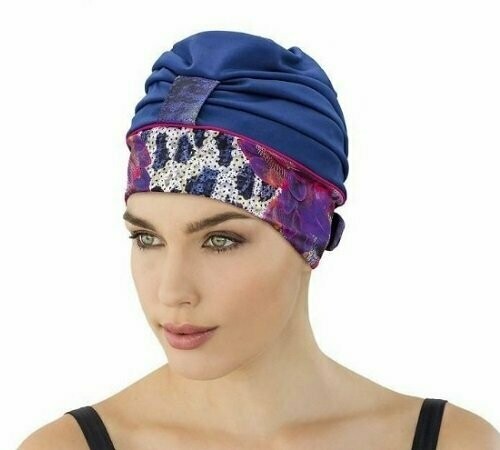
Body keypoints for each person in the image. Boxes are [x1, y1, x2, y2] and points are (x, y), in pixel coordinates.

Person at [19, 30, 499, 450]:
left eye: (219, 241)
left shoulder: (453, 442)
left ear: (312, 236)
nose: (171, 291)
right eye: (147, 238)